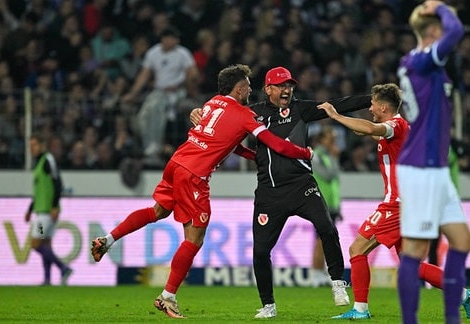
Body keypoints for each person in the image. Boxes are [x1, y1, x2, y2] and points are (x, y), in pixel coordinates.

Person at [91, 64, 313, 319]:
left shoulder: (211, 104)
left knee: (159, 211)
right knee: (194, 238)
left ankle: (107, 240)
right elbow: (275, 144)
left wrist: (253, 157)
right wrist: (304, 153)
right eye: (248, 86)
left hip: (177, 162)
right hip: (194, 175)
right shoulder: (244, 115)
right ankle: (168, 297)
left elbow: (226, 141)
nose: (251, 90)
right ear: (240, 89)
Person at [191, 66, 371, 319]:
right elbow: (224, 135)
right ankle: (268, 305)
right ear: (268, 89)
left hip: (302, 186)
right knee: (261, 251)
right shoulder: (252, 113)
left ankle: (338, 282)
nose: (287, 90)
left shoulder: (301, 109)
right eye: (281, 85)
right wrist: (198, 112)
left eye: (289, 85)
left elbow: (338, 103)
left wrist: (371, 99)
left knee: (327, 228)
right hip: (269, 193)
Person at [317, 83, 470, 320]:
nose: (370, 108)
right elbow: (374, 131)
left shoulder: (396, 125)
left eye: (372, 104)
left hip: (398, 204)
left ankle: (360, 309)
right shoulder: (399, 129)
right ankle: (465, 295)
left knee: (357, 248)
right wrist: (366, 130)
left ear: (383, 107)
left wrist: (336, 115)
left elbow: (374, 127)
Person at [396, 2, 470, 323]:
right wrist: (440, 6)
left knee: (462, 240)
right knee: (415, 250)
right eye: (440, 28)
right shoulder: (423, 60)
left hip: (436, 169)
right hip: (421, 167)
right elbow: (456, 30)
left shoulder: (420, 64)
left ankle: (451, 319)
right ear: (433, 31)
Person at [122, 26, 200, 167]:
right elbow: (144, 75)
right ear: (165, 39)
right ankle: (150, 146)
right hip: (159, 92)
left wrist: (183, 83)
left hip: (178, 92)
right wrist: (133, 94)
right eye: (173, 38)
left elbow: (193, 73)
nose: (176, 41)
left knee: (158, 109)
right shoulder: (153, 53)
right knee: (144, 115)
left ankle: (154, 149)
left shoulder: (182, 53)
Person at [25, 134, 73, 286]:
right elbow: (39, 192)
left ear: (41, 145)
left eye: (34, 145)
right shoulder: (39, 163)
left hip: (45, 214)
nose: (31, 149)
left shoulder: (47, 160)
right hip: (41, 211)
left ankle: (63, 267)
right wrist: (29, 209)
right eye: (30, 146)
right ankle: (47, 279)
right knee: (45, 245)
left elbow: (58, 183)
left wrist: (54, 205)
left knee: (35, 244)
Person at [310, 125, 342, 287]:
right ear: (322, 140)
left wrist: (338, 207)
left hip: (331, 204)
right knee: (320, 240)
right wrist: (335, 158)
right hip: (322, 204)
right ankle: (316, 273)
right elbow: (328, 176)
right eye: (331, 139)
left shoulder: (327, 155)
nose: (333, 142)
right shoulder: (317, 155)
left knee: (325, 239)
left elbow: (334, 184)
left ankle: (321, 271)